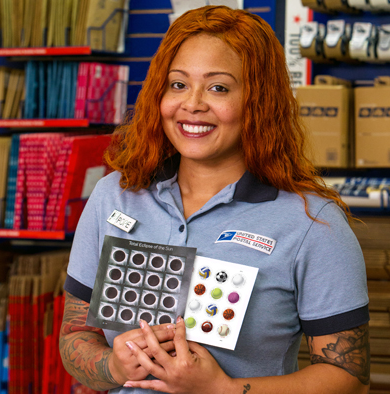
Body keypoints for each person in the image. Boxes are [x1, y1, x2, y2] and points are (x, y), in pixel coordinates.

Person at [60, 5, 370, 394]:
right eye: (178, 84)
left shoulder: (312, 224)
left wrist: (221, 389)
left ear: (258, 101)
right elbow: (74, 337)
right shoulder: (114, 197)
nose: (193, 103)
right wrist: (112, 365)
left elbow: (350, 379)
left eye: (218, 87)